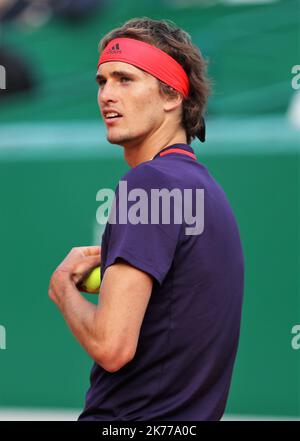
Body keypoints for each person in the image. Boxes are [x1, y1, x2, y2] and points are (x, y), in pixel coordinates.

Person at [48, 17, 244, 421]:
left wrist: (63, 289)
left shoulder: (150, 183)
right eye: (102, 82)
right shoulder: (203, 189)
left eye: (125, 79)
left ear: (172, 94)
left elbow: (112, 346)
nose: (107, 95)